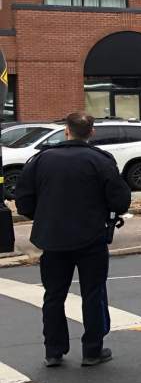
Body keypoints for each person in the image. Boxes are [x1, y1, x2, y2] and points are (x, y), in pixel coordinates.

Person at [14, 112, 131, 367]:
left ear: (66, 131)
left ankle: (53, 351)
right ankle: (92, 350)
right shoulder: (101, 161)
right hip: (91, 238)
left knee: (53, 296)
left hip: (52, 239)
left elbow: (23, 201)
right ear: (91, 133)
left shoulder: (40, 160)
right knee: (93, 293)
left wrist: (43, 216)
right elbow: (121, 200)